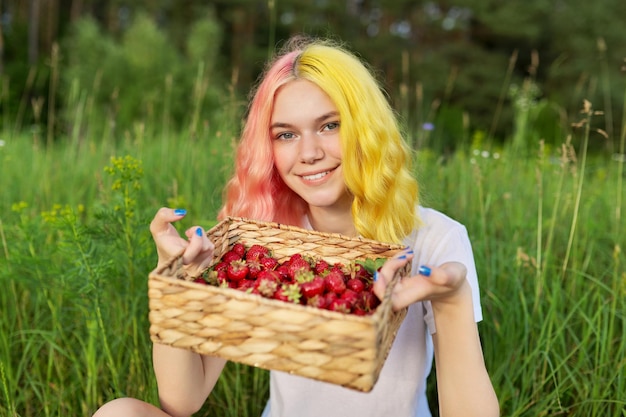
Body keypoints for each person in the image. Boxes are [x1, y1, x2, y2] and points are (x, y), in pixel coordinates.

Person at [93, 36, 499, 417]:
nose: (309, 153)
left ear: (366, 128)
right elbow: (183, 400)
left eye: (330, 125)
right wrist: (177, 280)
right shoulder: (264, 240)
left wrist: (452, 303)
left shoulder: (434, 239)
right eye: (286, 134)